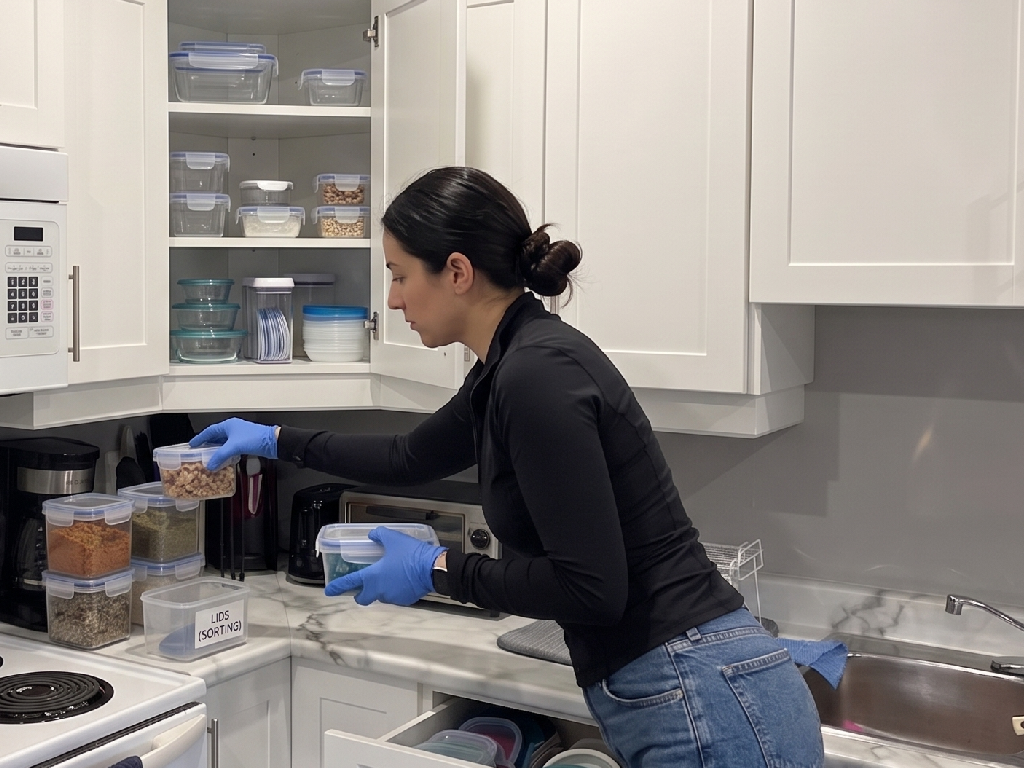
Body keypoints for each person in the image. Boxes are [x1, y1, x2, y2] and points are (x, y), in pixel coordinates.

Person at [192, 167, 825, 767]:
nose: (393, 298)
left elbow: (592, 589)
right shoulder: (509, 363)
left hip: (700, 689)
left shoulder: (534, 375)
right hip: (692, 681)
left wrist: (436, 569)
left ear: (457, 272)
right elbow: (411, 456)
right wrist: (274, 439)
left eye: (400, 275)